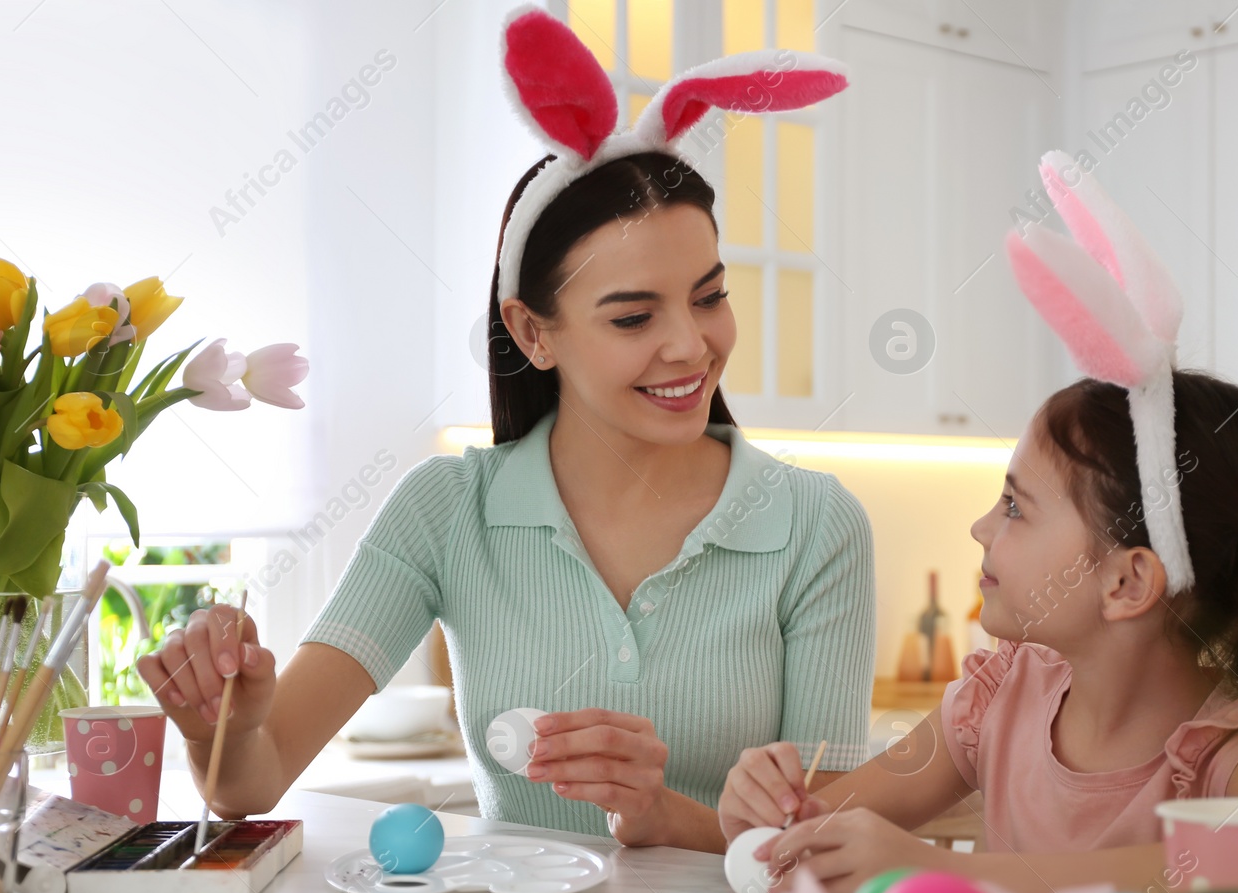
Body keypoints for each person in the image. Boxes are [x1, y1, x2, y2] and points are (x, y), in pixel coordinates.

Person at [136, 10, 870, 849]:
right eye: (634, 316)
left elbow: (829, 846)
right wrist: (217, 724)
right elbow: (252, 782)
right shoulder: (448, 510)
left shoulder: (815, 526)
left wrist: (662, 814)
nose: (691, 344)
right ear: (532, 332)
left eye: (709, 296)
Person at [718, 153, 1238, 893]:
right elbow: (839, 816)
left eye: (1013, 506)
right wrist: (776, 805)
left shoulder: (1232, 758)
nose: (980, 527)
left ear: (1127, 580)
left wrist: (933, 869)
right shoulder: (1006, 697)